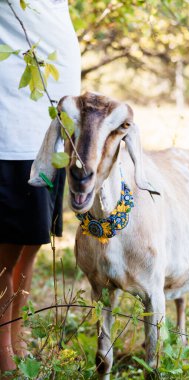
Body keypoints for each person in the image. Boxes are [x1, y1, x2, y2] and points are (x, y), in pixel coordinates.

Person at [0, 0, 81, 375]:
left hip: (52, 125)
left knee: (32, 240)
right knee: (6, 246)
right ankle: (2, 347)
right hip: (12, 117)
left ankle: (15, 331)